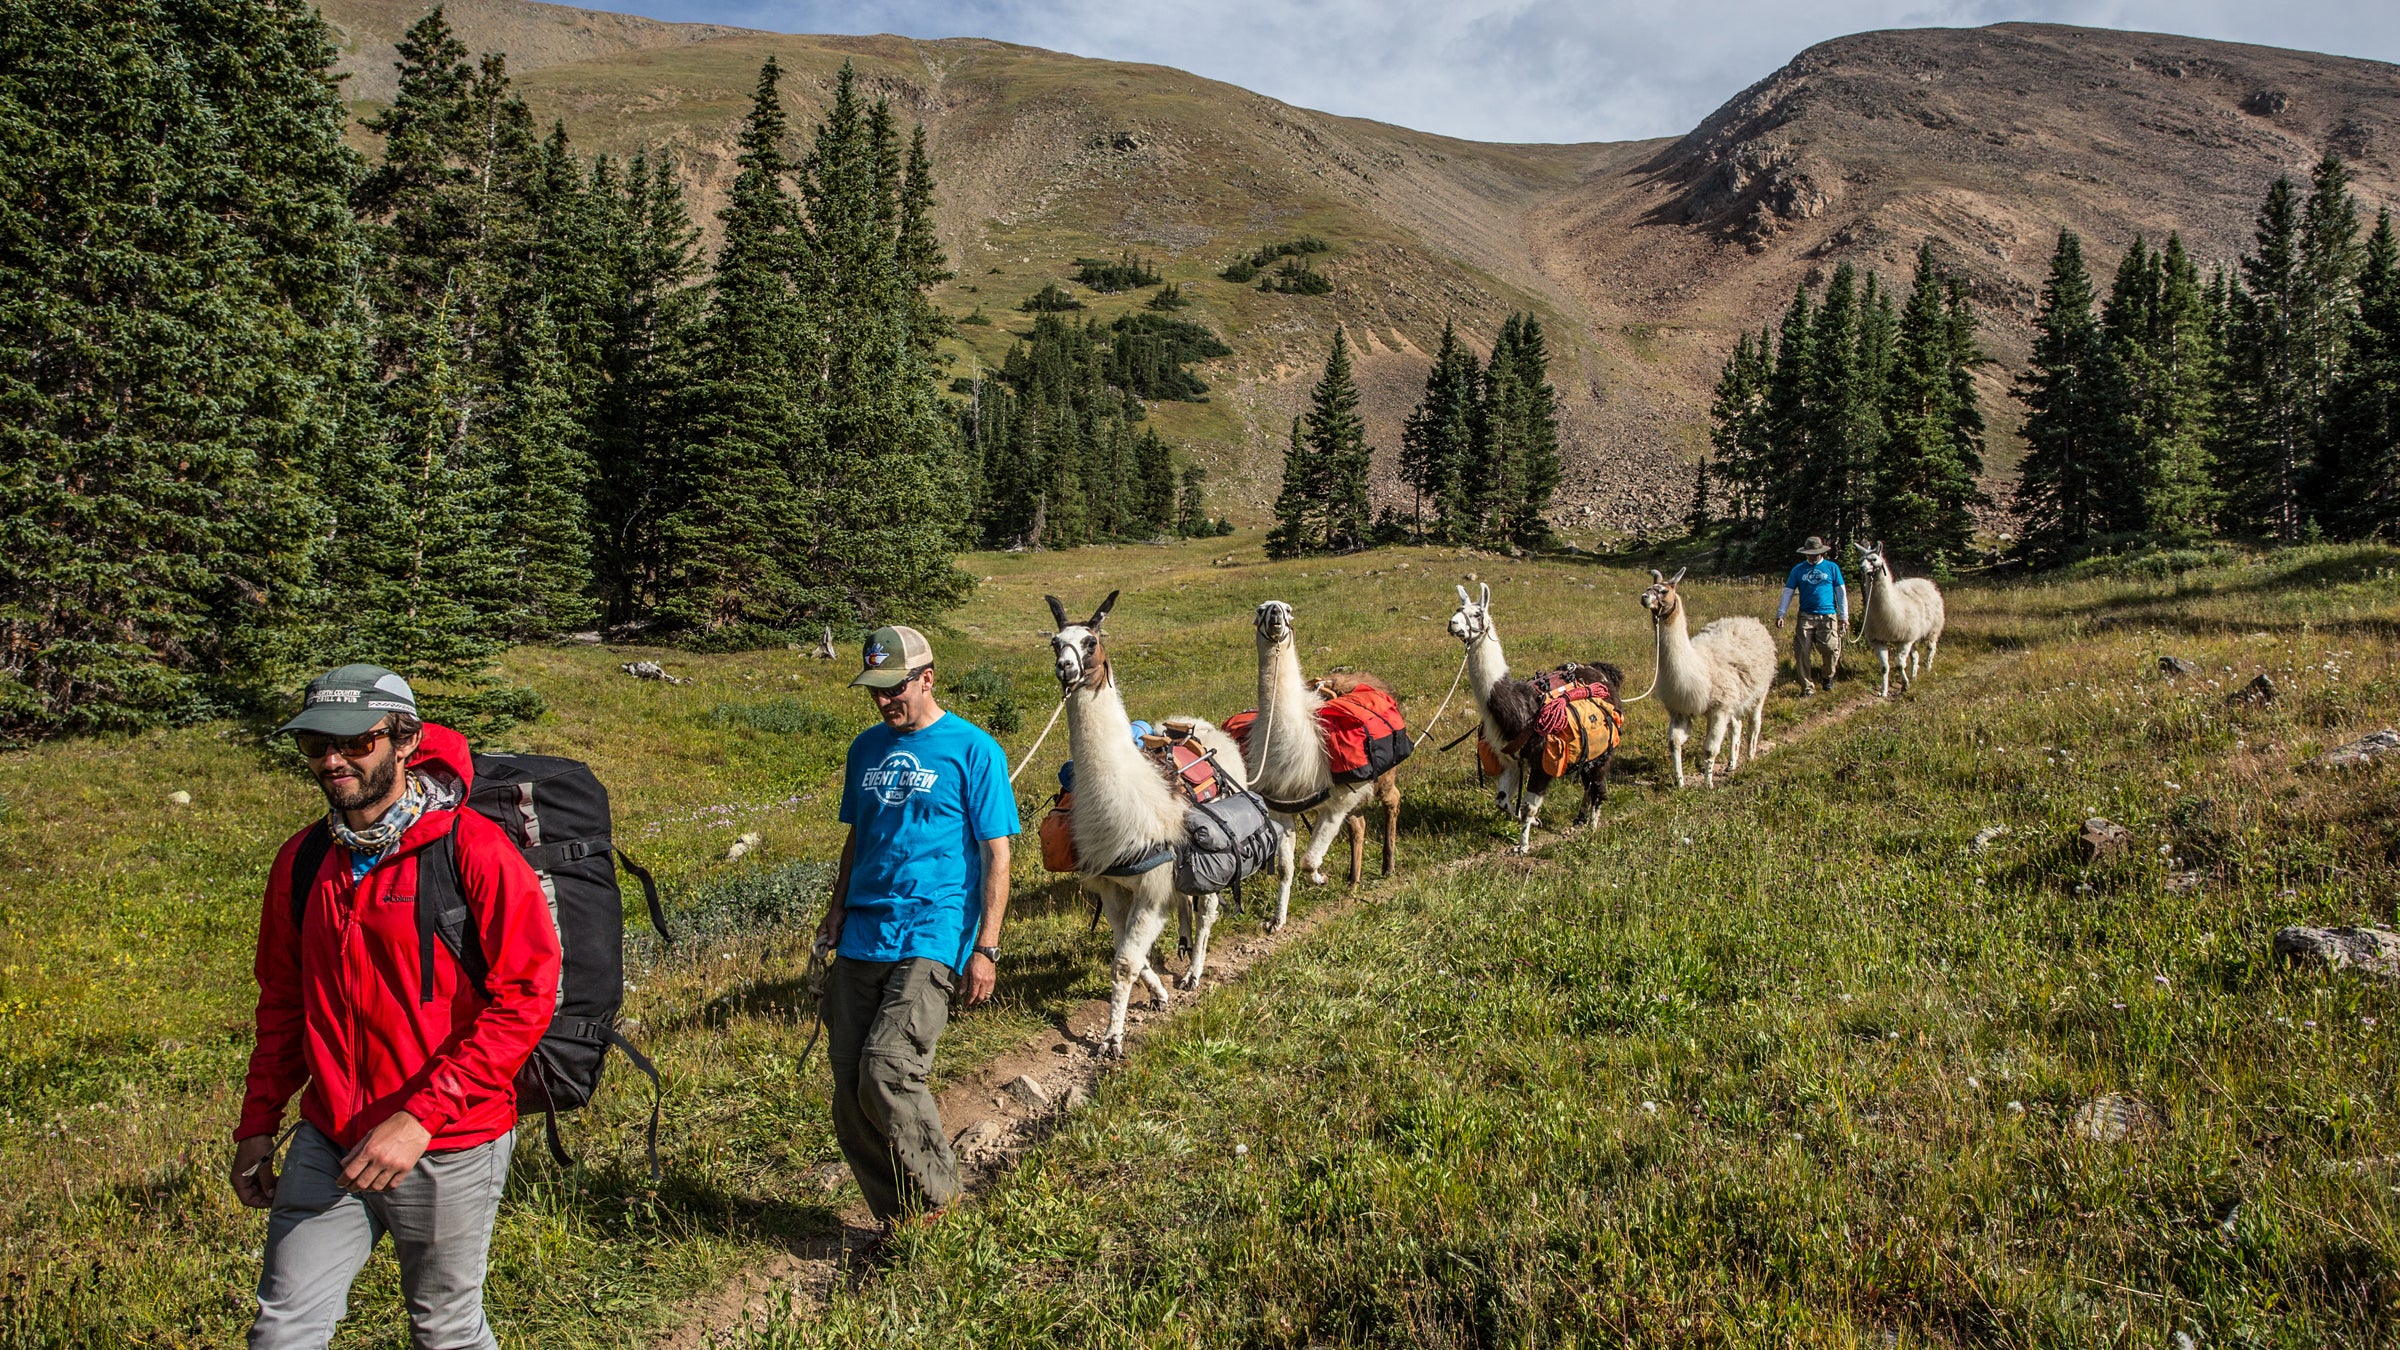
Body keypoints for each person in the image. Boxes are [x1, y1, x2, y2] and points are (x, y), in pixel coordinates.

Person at [231, 664, 559, 1350]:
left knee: (444, 1331)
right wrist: (258, 1122)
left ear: (406, 739)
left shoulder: (473, 850)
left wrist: (419, 1118)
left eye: (357, 741)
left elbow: (525, 999)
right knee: (281, 1330)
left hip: (448, 1142)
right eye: (316, 743)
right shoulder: (303, 860)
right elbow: (284, 1003)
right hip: (330, 1134)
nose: (332, 759)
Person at [816, 625, 1020, 1237]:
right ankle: (899, 1214)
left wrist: (986, 947)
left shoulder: (974, 750)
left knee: (887, 1067)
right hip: (862, 933)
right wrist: (836, 908)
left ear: (926, 678)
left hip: (933, 930)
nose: (883, 702)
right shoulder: (865, 749)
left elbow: (998, 855)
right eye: (874, 691)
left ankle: (939, 1202)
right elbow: (860, 835)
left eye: (893, 689)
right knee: (851, 1093)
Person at [1776, 535, 1850, 696]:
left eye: (1815, 553)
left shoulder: (1831, 568)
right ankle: (1807, 687)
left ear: (1821, 552)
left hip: (1828, 614)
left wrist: (1844, 616)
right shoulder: (1798, 570)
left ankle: (1828, 676)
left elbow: (1841, 592)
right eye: (1809, 553)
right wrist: (1781, 614)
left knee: (1830, 648)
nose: (1812, 556)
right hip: (1806, 616)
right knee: (1802, 651)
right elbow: (1788, 592)